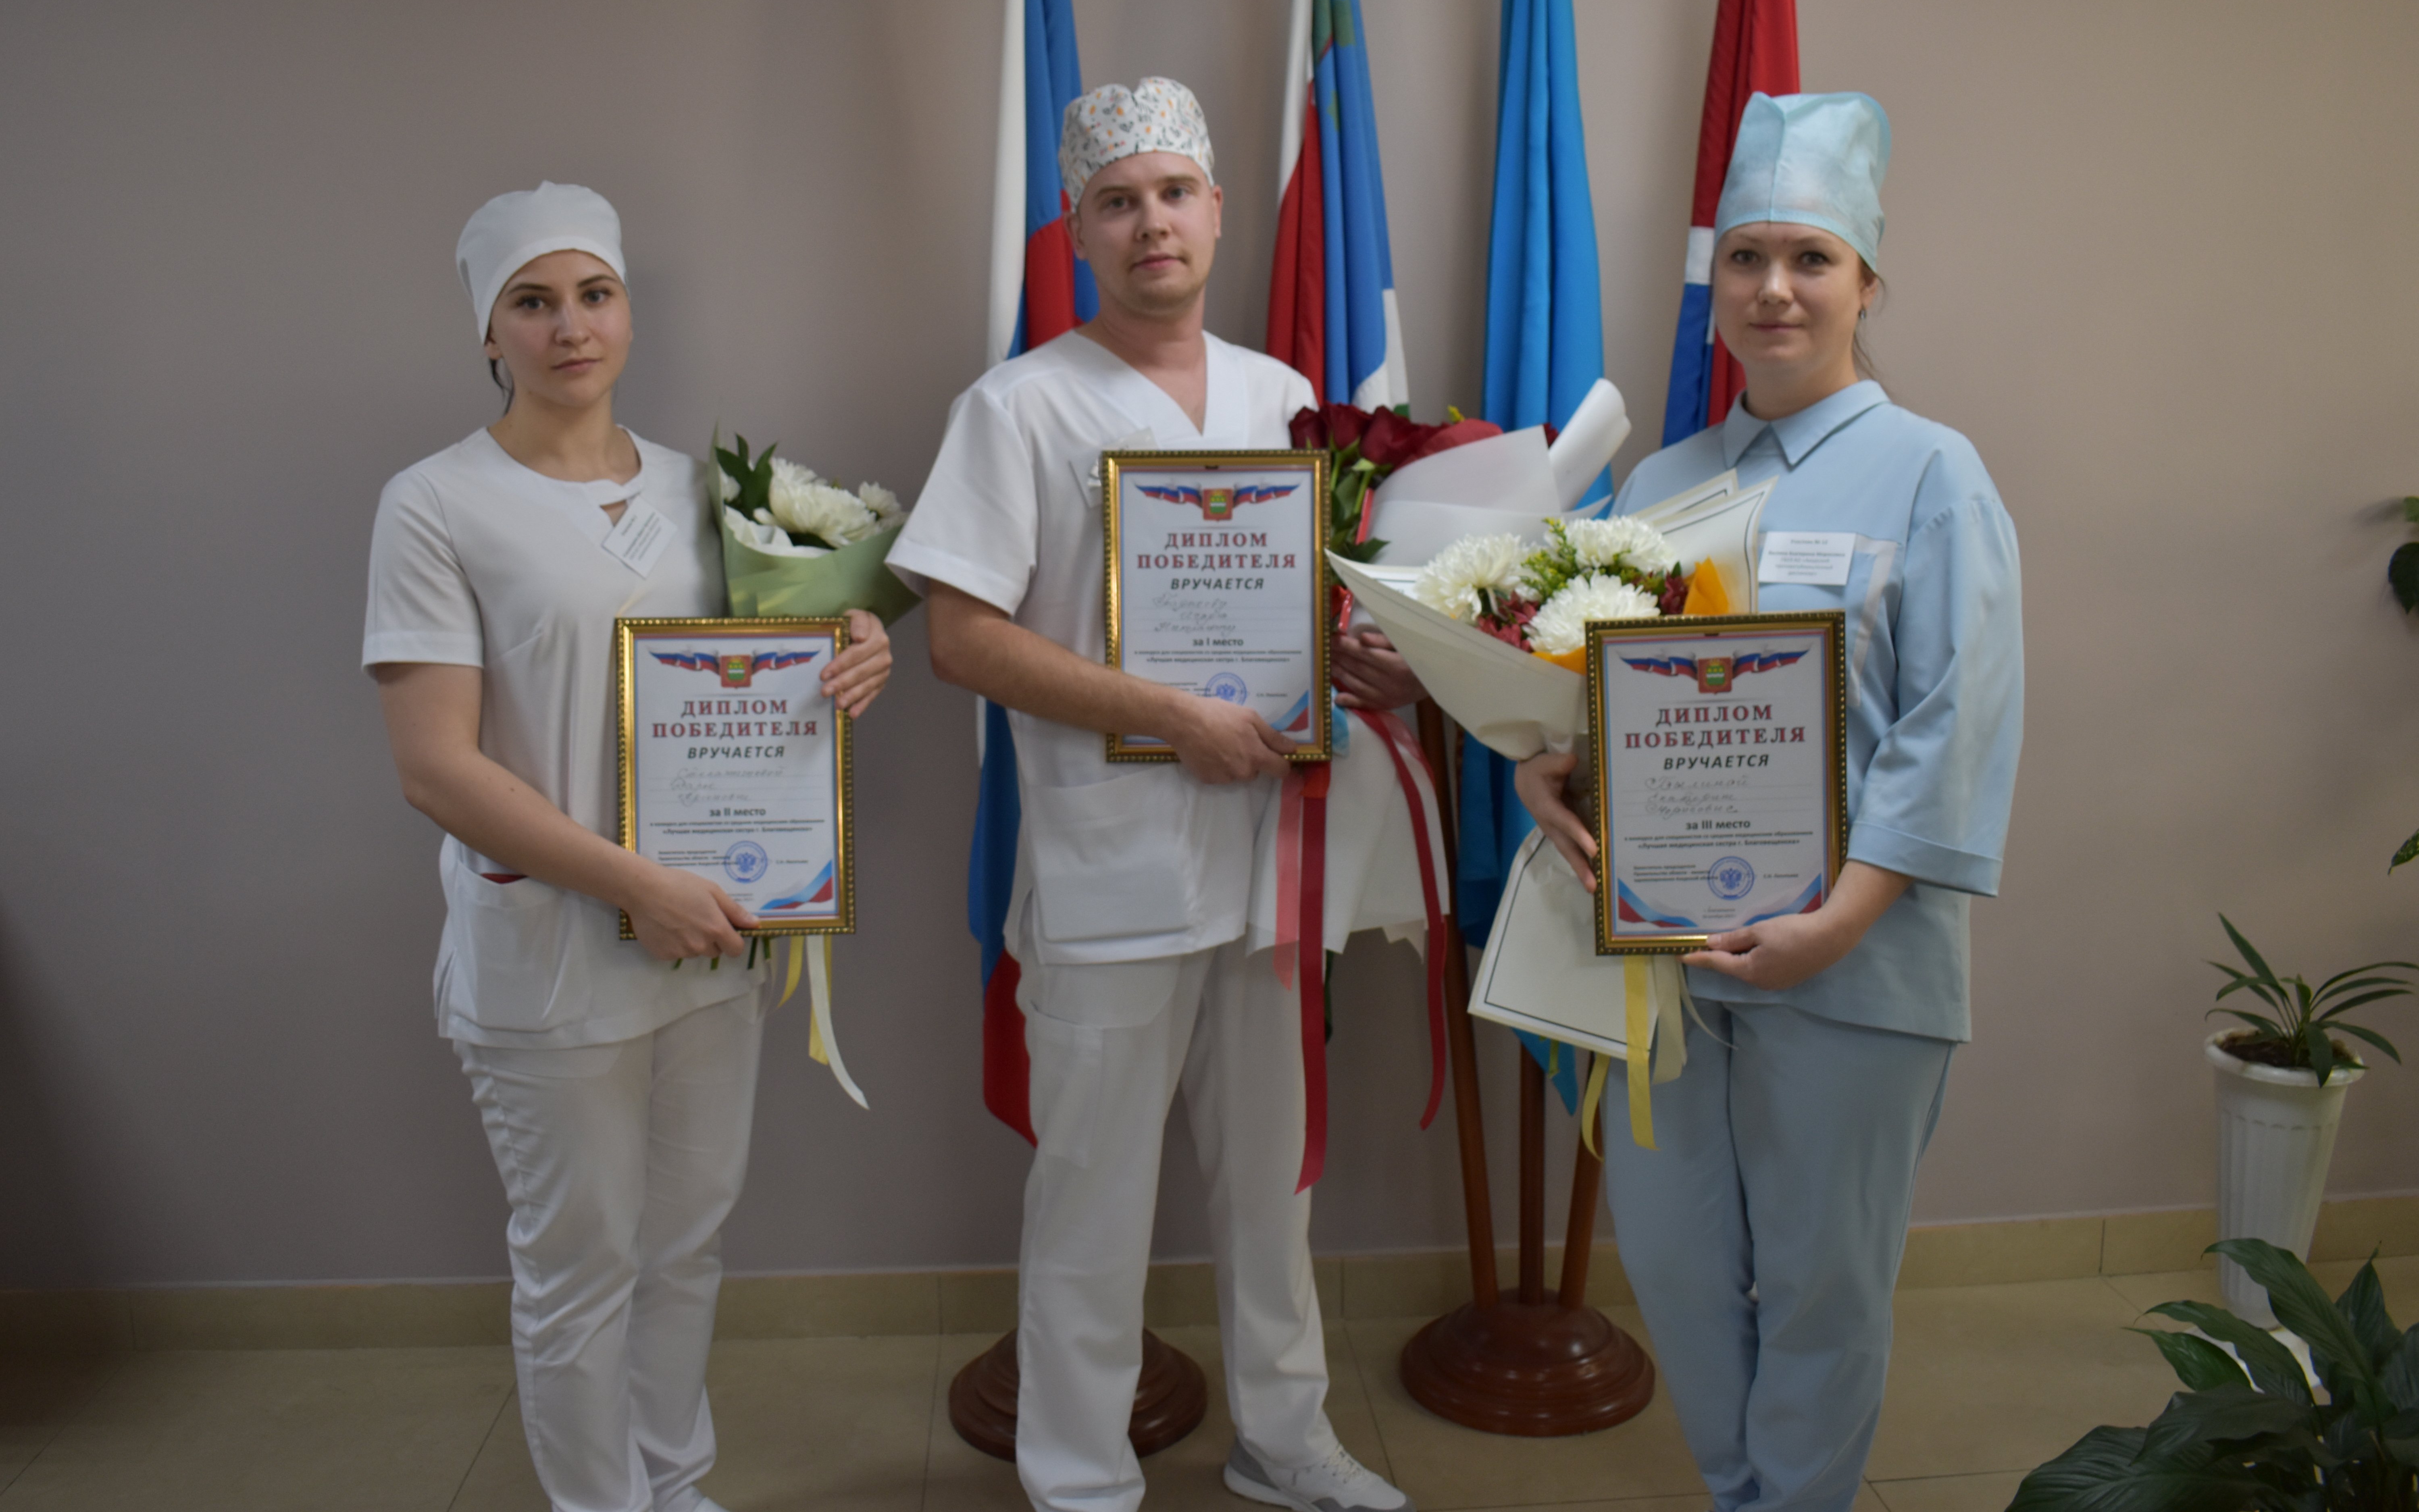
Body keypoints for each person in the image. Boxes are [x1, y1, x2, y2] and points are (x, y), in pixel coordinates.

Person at [887, 80, 1410, 1512]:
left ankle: (1286, 1441)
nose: (1151, 223)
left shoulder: (1284, 400)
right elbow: (960, 640)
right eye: (1117, 203)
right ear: (1079, 231)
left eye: (1175, 193)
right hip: (1108, 870)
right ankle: (1079, 1480)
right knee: (1091, 1202)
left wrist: (1356, 658)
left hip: (1270, 861)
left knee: (1274, 1186)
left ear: (1219, 211)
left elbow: (1303, 613)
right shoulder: (1017, 407)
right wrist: (1168, 716)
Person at [1516, 93, 2023, 1512]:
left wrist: (1839, 924)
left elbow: (1957, 728)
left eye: (1811, 258)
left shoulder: (1933, 474)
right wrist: (1546, 760)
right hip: (1663, 969)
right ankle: (1751, 1494)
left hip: (1854, 966)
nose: (1775, 289)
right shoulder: (1661, 484)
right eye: (1747, 258)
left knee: (1819, 1287)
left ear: (1868, 280)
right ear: (1717, 283)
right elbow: (1612, 698)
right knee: (1677, 1270)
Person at [363, 181, 891, 1512]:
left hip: (709, 937)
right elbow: (434, 765)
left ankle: (674, 1483)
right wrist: (631, 885)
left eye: (593, 295)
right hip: (555, 948)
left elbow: (763, 673)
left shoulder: (706, 492)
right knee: (579, 1267)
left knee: (686, 1246)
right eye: (532, 303)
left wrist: (850, 647)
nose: (570, 328)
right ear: (489, 332)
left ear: (629, 312)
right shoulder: (435, 504)